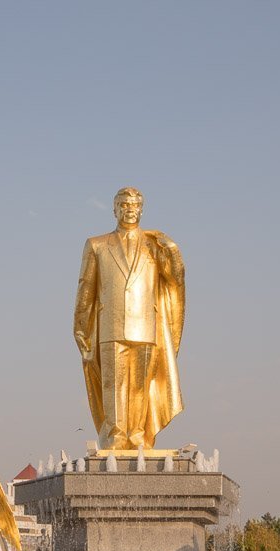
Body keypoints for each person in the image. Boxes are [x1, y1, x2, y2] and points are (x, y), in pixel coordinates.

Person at [73, 187, 185, 450]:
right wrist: (80, 325)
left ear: (141, 209)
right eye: (123, 205)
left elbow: (174, 280)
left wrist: (172, 249)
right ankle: (116, 434)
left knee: (139, 385)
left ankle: (137, 433)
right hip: (110, 325)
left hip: (145, 325)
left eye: (134, 205)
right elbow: (85, 287)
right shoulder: (97, 244)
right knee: (113, 384)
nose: (129, 210)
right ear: (114, 209)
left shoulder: (154, 245)